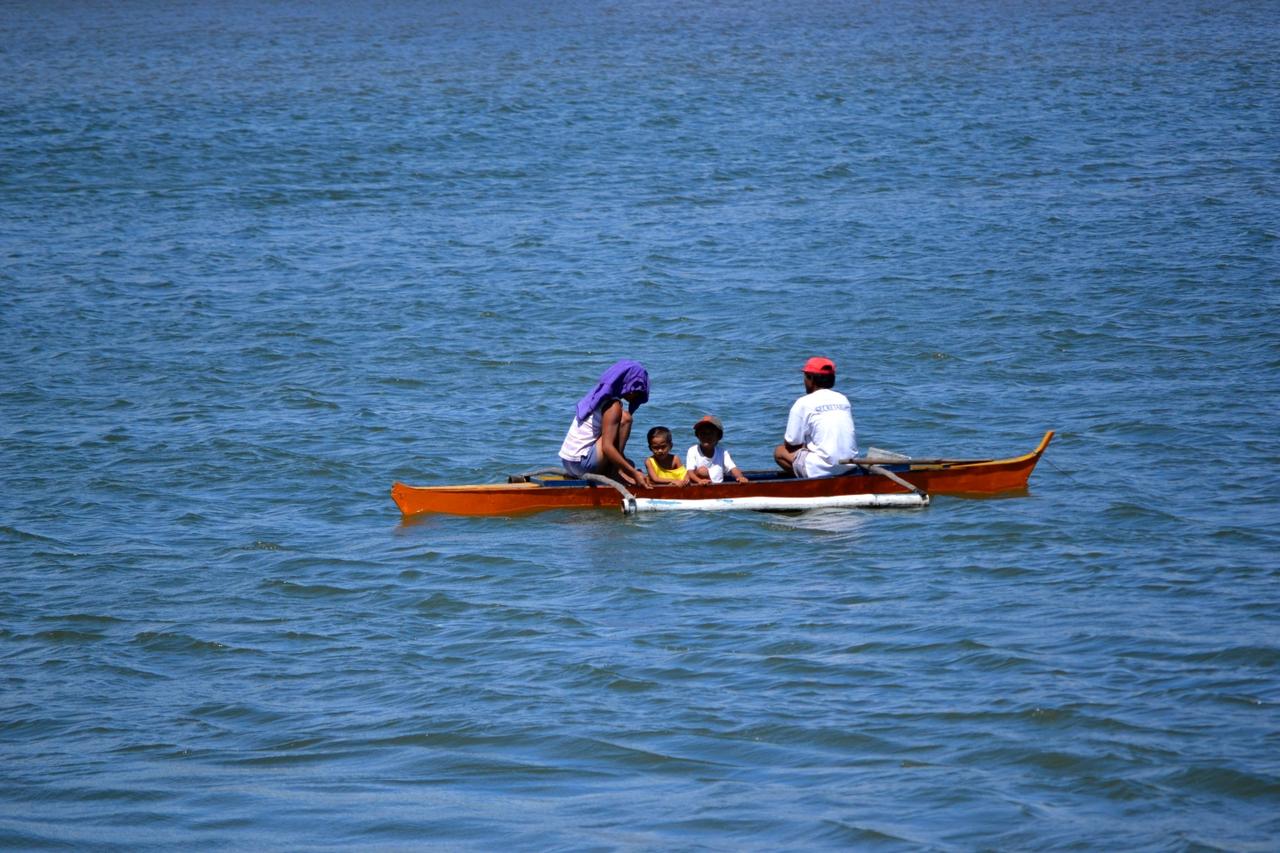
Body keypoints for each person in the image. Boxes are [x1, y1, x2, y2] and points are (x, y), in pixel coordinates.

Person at [559, 359, 654, 487]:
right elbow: (607, 447)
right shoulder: (613, 405)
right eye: (638, 389)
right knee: (625, 419)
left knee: (628, 462)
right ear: (630, 387)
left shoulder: (597, 395)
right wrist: (632, 473)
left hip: (567, 462)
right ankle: (615, 472)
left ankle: (616, 469)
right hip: (582, 464)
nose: (638, 394)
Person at [774, 356, 857, 478]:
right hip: (849, 465)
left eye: (805, 377)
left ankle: (810, 483)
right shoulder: (843, 399)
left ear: (811, 379)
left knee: (779, 452)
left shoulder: (803, 403)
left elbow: (791, 443)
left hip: (823, 468)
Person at [685, 415, 748, 485]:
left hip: (717, 486)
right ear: (697, 435)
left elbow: (733, 468)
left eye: (710, 433)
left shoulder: (723, 452)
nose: (706, 436)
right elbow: (690, 472)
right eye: (703, 433)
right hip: (699, 485)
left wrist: (740, 477)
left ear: (718, 436)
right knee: (702, 471)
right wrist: (699, 481)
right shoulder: (693, 450)